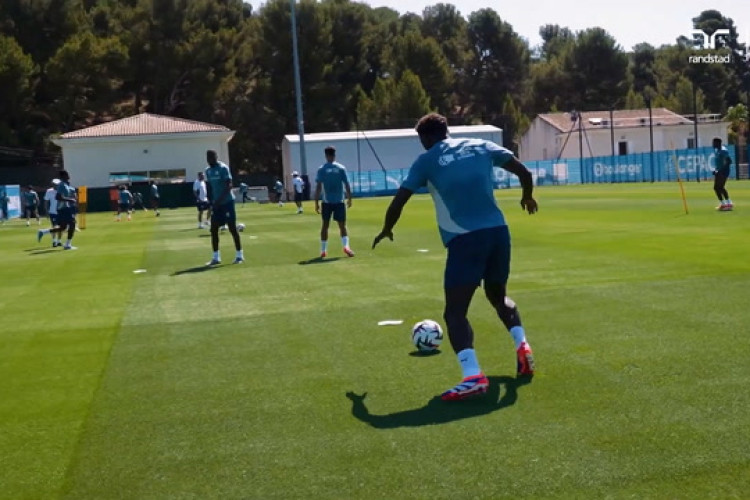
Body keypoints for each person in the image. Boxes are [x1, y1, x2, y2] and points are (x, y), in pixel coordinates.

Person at [372, 113, 538, 401]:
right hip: (499, 233)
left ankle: (473, 377)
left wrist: (387, 228)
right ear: (446, 130)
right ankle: (522, 346)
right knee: (498, 296)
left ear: (424, 138)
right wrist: (527, 196)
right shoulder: (480, 146)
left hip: (465, 239)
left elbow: (400, 199)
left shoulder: (426, 160)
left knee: (455, 312)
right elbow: (525, 172)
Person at [314, 146, 354, 258]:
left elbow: (318, 186)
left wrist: (316, 202)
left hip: (326, 201)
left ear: (326, 155)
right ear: (334, 155)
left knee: (325, 226)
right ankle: (346, 247)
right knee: (342, 225)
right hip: (339, 200)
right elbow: (346, 184)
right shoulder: (341, 168)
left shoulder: (322, 169)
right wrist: (350, 198)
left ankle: (323, 250)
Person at [205, 150, 243, 265]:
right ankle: (216, 257)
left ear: (216, 157)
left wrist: (219, 200)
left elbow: (229, 186)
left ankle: (239, 255)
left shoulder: (223, 168)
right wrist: (211, 201)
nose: (210, 159)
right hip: (216, 204)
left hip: (227, 202)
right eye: (208, 158)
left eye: (212, 157)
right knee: (214, 229)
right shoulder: (208, 171)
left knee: (232, 228)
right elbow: (210, 187)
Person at [46, 170, 78, 250]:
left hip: (66, 208)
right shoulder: (61, 185)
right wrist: (70, 200)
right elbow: (58, 197)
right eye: (67, 174)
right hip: (63, 208)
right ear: (63, 176)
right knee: (72, 224)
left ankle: (43, 232)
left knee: (63, 227)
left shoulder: (66, 185)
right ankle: (67, 244)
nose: (68, 176)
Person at [37, 179, 61, 247]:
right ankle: (54, 241)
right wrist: (46, 211)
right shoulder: (49, 191)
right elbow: (46, 201)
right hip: (53, 212)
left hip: (61, 211)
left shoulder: (61, 190)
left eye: (57, 184)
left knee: (61, 227)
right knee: (55, 227)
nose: (56, 186)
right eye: (55, 184)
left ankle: (59, 241)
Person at [712, 137, 733, 211]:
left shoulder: (723, 151)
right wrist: (716, 170)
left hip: (723, 172)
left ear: (718, 143)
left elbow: (729, 161)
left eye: (714, 143)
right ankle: (726, 204)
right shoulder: (717, 150)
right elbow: (720, 163)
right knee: (719, 187)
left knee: (719, 187)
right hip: (719, 171)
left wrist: (721, 171)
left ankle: (727, 204)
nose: (713, 144)